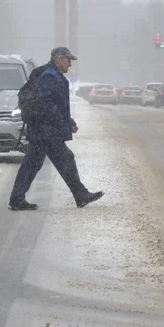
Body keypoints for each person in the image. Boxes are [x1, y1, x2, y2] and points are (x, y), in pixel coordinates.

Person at [9, 47, 104, 211]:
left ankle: (17, 199)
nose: (70, 64)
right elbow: (44, 103)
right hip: (47, 131)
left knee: (32, 164)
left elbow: (55, 105)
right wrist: (61, 120)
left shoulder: (52, 75)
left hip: (43, 130)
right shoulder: (50, 76)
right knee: (65, 159)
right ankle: (80, 195)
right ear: (59, 60)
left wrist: (68, 120)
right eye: (68, 60)